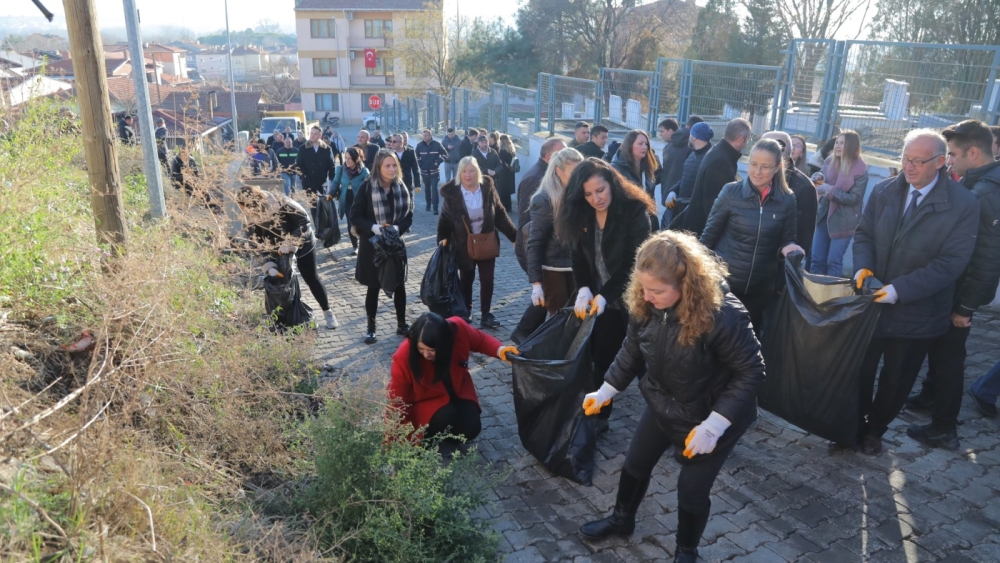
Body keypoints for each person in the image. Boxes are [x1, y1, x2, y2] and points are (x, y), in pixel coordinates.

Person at [577, 231, 765, 563]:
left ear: (685, 284)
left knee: (691, 489)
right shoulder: (644, 303)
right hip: (665, 399)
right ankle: (622, 520)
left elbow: (751, 372)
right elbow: (631, 351)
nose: (646, 297)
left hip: (712, 412)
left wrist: (715, 426)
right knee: (635, 463)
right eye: (643, 287)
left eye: (657, 291)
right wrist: (605, 390)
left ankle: (685, 551)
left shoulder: (723, 314)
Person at [850, 129, 979, 455]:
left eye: (917, 162)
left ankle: (875, 430)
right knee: (860, 370)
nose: (908, 167)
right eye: (905, 159)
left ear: (939, 162)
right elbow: (864, 233)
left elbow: (951, 263)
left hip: (918, 313)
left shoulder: (963, 204)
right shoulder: (884, 190)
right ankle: (854, 423)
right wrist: (863, 268)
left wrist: (900, 290)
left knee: (896, 380)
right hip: (873, 304)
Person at [903, 120, 1000, 449]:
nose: (951, 161)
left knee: (949, 357)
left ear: (973, 152)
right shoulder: (983, 185)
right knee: (941, 349)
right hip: (955, 289)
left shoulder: (984, 194)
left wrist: (964, 307)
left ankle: (944, 427)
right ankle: (930, 397)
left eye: (955, 154)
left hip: (960, 293)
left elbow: (986, 259)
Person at [557, 159, 655, 422]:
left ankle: (667, 420)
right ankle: (598, 417)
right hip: (602, 304)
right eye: (588, 194)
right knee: (602, 360)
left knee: (648, 366)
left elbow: (635, 263)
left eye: (600, 190)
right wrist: (584, 289)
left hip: (637, 300)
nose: (595, 199)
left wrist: (606, 293)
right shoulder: (581, 213)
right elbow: (578, 257)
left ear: (612, 182)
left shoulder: (634, 210)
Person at [700, 139, 804, 335]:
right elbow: (708, 237)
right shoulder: (731, 192)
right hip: (724, 285)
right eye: (753, 164)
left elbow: (788, 238)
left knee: (747, 345)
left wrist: (788, 247)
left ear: (777, 168)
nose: (757, 171)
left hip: (760, 288)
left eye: (765, 167)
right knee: (716, 339)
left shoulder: (787, 199)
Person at [387, 312, 518, 449]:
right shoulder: (404, 356)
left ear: (444, 342)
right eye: (421, 349)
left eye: (432, 350)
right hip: (425, 403)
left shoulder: (458, 328)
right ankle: (425, 440)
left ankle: (445, 434)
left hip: (457, 391)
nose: (426, 355)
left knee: (471, 429)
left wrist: (501, 350)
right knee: (446, 414)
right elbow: (396, 402)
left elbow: (480, 340)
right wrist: (395, 444)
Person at [236, 185, 338, 329]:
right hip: (277, 253)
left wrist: (290, 243)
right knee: (283, 286)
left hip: (303, 245)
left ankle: (328, 312)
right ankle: (292, 321)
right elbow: (255, 244)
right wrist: (268, 266)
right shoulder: (248, 218)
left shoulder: (280, 201)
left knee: (311, 278)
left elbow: (304, 221)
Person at [438, 157, 518, 329]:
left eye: (472, 170)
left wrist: (514, 237)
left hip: (486, 242)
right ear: (460, 172)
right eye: (465, 171)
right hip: (462, 244)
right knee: (466, 279)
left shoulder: (487, 188)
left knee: (487, 279)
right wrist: (442, 239)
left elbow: (500, 214)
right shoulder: (454, 194)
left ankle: (486, 314)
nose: (468, 175)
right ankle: (466, 310)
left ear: (478, 171)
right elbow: (445, 219)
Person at [350, 150, 415, 344]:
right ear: (378, 167)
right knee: (374, 287)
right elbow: (355, 215)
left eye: (394, 165)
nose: (391, 169)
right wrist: (374, 228)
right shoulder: (367, 187)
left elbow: (408, 216)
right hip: (373, 245)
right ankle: (371, 327)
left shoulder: (401, 187)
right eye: (387, 165)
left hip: (394, 244)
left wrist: (397, 228)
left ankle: (402, 324)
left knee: (400, 285)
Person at [527, 148, 584, 315]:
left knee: (579, 321)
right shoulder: (544, 199)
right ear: (558, 171)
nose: (579, 176)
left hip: (579, 267)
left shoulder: (582, 194)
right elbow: (535, 242)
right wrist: (536, 284)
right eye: (575, 171)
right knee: (559, 320)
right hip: (553, 270)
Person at [809, 130, 868, 277]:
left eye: (843, 143)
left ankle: (830, 296)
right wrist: (819, 176)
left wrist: (829, 190)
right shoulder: (830, 160)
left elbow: (854, 198)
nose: (838, 146)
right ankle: (813, 294)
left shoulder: (860, 169)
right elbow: (823, 174)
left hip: (844, 221)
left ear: (852, 146)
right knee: (817, 258)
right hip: (824, 216)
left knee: (833, 261)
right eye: (837, 142)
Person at [680, 118, 752, 237]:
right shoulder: (720, 161)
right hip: (702, 231)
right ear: (741, 139)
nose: (747, 143)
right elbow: (714, 206)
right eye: (748, 140)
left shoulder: (720, 153)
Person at [761, 131, 818, 266]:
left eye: (765, 147)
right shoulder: (757, 178)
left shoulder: (804, 187)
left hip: (779, 266)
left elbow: (804, 237)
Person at [610, 129, 661, 230]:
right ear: (630, 145)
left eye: (646, 144)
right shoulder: (616, 168)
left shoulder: (648, 166)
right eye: (640, 144)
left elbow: (650, 195)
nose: (644, 147)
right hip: (628, 223)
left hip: (648, 218)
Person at [664, 122, 713, 218]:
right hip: (682, 210)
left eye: (690, 134)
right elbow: (685, 178)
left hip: (695, 214)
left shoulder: (710, 158)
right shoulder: (692, 154)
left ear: (694, 137)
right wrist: (673, 191)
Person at [329, 146, 369, 256]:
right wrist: (330, 194)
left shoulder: (364, 171)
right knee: (350, 223)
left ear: (356, 159)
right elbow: (335, 183)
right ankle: (355, 246)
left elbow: (370, 185)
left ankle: (363, 243)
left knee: (360, 223)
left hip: (360, 201)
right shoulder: (341, 169)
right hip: (346, 199)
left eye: (350, 158)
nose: (347, 160)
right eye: (345, 157)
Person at [661, 116, 703, 197]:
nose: (660, 134)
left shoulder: (668, 146)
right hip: (685, 196)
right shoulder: (696, 146)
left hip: (668, 194)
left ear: (687, 126)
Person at [295, 127, 337, 203]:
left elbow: (331, 166)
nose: (312, 135)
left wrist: (333, 180)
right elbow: (298, 164)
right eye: (311, 133)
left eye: (315, 134)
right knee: (313, 205)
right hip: (308, 182)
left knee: (323, 204)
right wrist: (303, 176)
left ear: (320, 135)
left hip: (322, 182)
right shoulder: (303, 148)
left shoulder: (326, 149)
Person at [415, 129, 449, 214]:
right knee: (427, 189)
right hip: (424, 172)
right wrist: (420, 163)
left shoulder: (437, 145)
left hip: (435, 171)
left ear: (430, 136)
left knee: (434, 189)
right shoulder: (419, 145)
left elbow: (445, 154)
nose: (424, 137)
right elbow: (416, 156)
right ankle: (428, 205)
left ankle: (435, 208)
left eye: (426, 135)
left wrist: (438, 162)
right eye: (423, 136)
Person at [495, 134, 517, 212]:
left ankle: (504, 208)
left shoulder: (502, 151)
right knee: (507, 192)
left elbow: (501, 162)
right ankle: (509, 207)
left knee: (502, 191)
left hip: (503, 172)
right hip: (510, 172)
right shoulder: (512, 150)